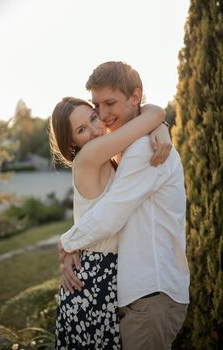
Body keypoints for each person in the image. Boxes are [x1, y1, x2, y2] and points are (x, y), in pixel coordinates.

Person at [59, 61, 190, 350]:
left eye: (109, 104)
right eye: (97, 106)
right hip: (140, 296)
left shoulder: (144, 150)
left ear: (135, 97)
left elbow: (110, 216)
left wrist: (67, 242)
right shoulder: (128, 149)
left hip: (151, 294)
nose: (103, 117)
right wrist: (158, 121)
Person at [49, 94, 168, 349]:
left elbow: (151, 117)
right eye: (82, 130)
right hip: (93, 281)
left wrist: (160, 128)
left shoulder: (105, 158)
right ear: (71, 142)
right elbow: (153, 114)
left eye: (94, 118)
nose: (95, 131)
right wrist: (159, 124)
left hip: (100, 273)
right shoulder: (91, 154)